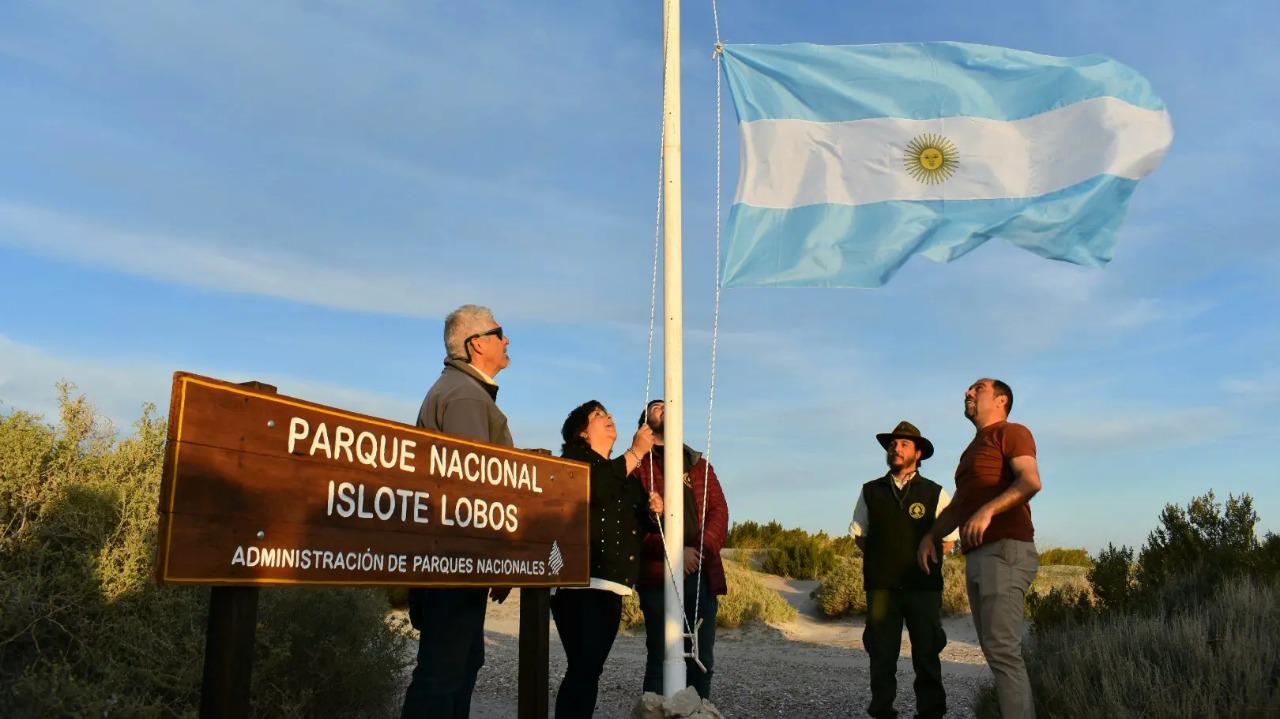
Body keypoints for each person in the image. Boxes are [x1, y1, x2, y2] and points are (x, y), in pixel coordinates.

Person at [402, 304, 514, 719]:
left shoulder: (464, 392)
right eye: (499, 332)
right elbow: (474, 495)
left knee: (458, 666)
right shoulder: (466, 397)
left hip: (451, 562)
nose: (507, 340)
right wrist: (499, 562)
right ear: (476, 344)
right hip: (453, 563)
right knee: (443, 674)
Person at [918, 379, 1042, 719]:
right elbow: (958, 507)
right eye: (968, 390)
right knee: (994, 651)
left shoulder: (1012, 432)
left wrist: (987, 511)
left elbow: (1030, 480)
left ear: (1001, 400)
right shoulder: (972, 450)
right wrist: (931, 536)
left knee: (1003, 651)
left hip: (1006, 550)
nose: (968, 393)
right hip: (978, 556)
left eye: (978, 389)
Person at [553, 400, 662, 719]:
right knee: (584, 669)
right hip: (580, 584)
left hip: (611, 585)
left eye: (609, 413)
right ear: (583, 433)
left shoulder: (624, 476)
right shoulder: (575, 462)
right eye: (598, 415)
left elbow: (643, 524)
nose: (609, 417)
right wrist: (635, 453)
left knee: (587, 670)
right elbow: (594, 489)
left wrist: (654, 511)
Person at [851, 421, 958, 719]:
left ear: (918, 453)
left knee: (926, 654)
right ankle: (882, 711)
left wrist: (926, 560)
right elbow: (861, 534)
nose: (895, 448)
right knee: (881, 654)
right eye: (892, 444)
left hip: (923, 588)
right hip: (882, 588)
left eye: (904, 444)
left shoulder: (936, 492)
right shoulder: (871, 491)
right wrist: (883, 560)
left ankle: (931, 712)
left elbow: (949, 541)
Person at [632, 399, 729, 699]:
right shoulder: (638, 468)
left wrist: (698, 551)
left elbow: (719, 511)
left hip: (700, 572)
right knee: (662, 656)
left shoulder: (699, 465)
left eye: (668, 404)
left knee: (701, 658)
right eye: (657, 406)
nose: (665, 407)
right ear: (645, 422)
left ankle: (697, 711)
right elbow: (633, 528)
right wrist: (674, 552)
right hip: (658, 576)